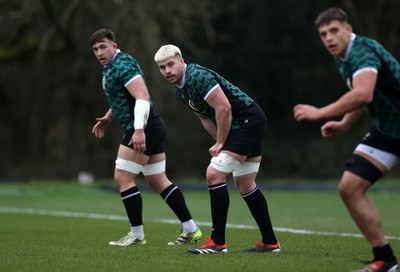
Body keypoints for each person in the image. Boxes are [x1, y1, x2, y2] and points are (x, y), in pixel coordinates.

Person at [293, 7, 399, 272]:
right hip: (388, 129)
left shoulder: (362, 50)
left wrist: (320, 112)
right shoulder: (342, 56)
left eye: (334, 31)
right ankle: (385, 260)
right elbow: (364, 94)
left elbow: (363, 93)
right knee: (349, 187)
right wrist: (344, 123)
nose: (328, 37)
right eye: (323, 33)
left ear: (348, 30)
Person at [154, 44, 280, 254]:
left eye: (170, 64)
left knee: (214, 174)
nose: (167, 71)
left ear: (181, 62)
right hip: (245, 123)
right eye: (161, 67)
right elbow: (204, 118)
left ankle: (217, 243)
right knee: (245, 183)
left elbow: (224, 108)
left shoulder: (197, 76)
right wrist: (222, 143)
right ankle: (270, 242)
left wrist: (221, 143)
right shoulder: (181, 90)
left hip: (247, 120)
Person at [90, 28, 202, 247]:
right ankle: (191, 229)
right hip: (150, 125)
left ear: (114, 45)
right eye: (95, 49)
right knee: (157, 180)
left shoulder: (122, 64)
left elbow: (142, 97)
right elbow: (124, 97)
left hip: (144, 127)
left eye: (103, 46)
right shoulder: (110, 67)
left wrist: (139, 131)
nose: (99, 52)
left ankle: (137, 235)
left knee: (123, 178)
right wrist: (108, 116)